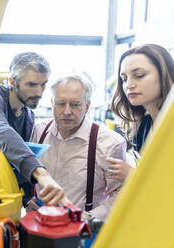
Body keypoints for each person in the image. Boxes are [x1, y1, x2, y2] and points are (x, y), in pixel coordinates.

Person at [0, 52, 68, 206]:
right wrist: (42, 174)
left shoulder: (28, 116)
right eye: (31, 84)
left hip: (0, 196)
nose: (39, 92)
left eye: (43, 84)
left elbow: (16, 160)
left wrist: (27, 200)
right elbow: (1, 132)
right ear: (13, 81)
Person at [29, 75, 126, 221]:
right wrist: (28, 199)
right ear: (52, 103)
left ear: (87, 106)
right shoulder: (38, 132)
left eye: (75, 105)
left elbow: (121, 192)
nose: (67, 111)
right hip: (41, 223)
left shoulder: (110, 143)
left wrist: (89, 217)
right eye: (61, 103)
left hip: (85, 233)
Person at [107, 44, 174, 182]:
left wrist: (134, 176)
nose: (129, 85)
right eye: (124, 79)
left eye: (139, 75)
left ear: (165, 74)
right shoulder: (143, 126)